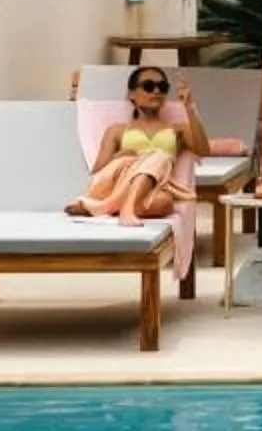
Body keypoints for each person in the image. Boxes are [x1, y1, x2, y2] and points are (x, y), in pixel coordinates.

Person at [68, 66, 213, 279]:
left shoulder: (177, 129)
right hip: (120, 182)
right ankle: (124, 207)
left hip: (155, 188)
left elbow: (203, 150)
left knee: (165, 202)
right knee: (160, 156)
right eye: (148, 86)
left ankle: (108, 207)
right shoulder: (117, 130)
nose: (156, 91)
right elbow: (98, 172)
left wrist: (190, 108)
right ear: (132, 95)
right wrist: (119, 157)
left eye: (162, 87)